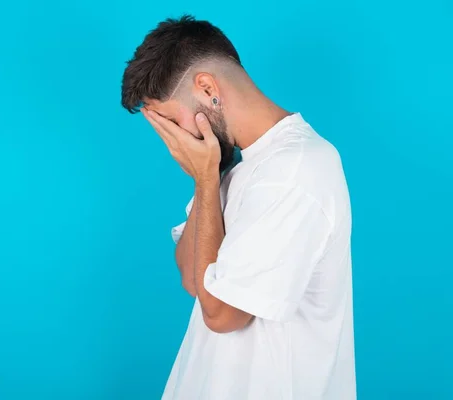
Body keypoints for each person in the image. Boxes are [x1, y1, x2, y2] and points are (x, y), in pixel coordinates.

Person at [121, 15, 356, 400]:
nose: (174, 140)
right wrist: (207, 179)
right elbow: (192, 278)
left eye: (168, 121)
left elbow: (222, 314)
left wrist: (207, 179)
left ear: (208, 88)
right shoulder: (235, 167)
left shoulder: (296, 168)